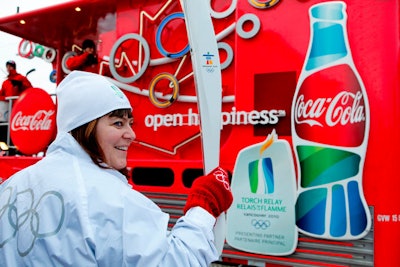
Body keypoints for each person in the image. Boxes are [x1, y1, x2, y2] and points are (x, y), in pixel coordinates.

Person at [0, 71, 233, 266]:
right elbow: (177, 261)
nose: (131, 135)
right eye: (117, 123)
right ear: (86, 127)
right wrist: (204, 206)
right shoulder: (109, 199)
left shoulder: (12, 185)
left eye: (130, 123)